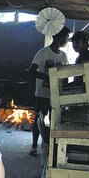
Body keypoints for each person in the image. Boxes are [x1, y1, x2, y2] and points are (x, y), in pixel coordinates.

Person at [28, 26, 70, 156]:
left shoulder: (63, 56)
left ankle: (50, 144)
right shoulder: (43, 53)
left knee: (55, 120)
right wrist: (48, 77)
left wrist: (65, 89)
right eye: (66, 38)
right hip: (42, 93)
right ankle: (34, 145)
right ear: (60, 37)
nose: (67, 41)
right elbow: (32, 71)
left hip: (56, 95)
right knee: (38, 119)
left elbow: (66, 74)